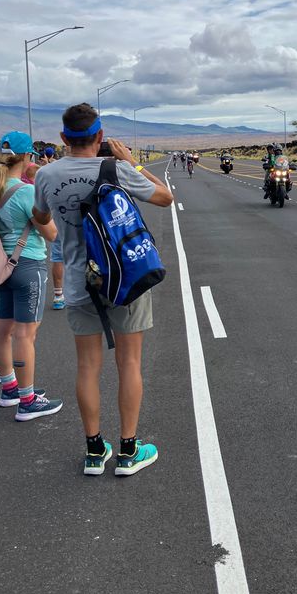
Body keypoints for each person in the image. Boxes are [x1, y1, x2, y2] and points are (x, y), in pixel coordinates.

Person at [33, 103, 173, 477]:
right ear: (100, 136)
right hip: (124, 280)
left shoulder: (47, 175)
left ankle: (95, 451)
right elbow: (164, 197)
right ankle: (129, 452)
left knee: (87, 366)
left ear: (64, 138)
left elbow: (41, 217)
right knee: (128, 363)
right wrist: (134, 163)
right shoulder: (115, 168)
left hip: (80, 284)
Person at [0, 131, 62, 420]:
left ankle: (9, 389)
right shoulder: (27, 192)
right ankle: (28, 400)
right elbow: (50, 233)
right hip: (28, 265)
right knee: (26, 334)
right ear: (27, 157)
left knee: (3, 330)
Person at [37, 149, 66, 309]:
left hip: (55, 217)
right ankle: (88, 292)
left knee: (58, 258)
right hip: (72, 215)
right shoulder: (63, 168)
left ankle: (58, 296)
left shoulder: (40, 171)